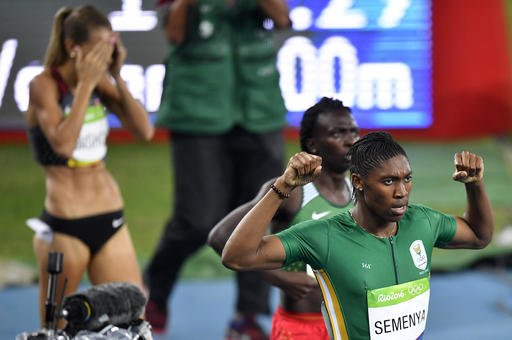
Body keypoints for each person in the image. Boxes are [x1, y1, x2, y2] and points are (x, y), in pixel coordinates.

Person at [221, 131, 494, 339]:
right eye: (388, 181)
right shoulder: (324, 237)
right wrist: (283, 187)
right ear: (359, 182)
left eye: (407, 179)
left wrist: (474, 184)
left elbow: (479, 236)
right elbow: (238, 256)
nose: (401, 192)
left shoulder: (423, 222)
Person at [143, 0, 291, 337]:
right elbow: (174, 32)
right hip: (197, 109)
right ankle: (155, 291)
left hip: (258, 108)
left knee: (259, 216)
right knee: (196, 219)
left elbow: (281, 17)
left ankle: (248, 316)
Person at [25, 5, 154, 328]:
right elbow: (63, 144)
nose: (104, 57)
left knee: (132, 321)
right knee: (59, 328)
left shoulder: (101, 84)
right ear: (73, 48)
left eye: (109, 48)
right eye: (100, 51)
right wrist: (84, 84)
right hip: (66, 227)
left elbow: (144, 131)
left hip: (110, 220)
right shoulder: (44, 85)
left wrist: (117, 74)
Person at [208, 97, 359, 339]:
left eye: (353, 131)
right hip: (302, 327)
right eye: (338, 133)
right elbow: (220, 237)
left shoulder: (359, 191)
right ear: (313, 144)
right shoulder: (292, 192)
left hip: (351, 325)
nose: (351, 141)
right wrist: (277, 277)